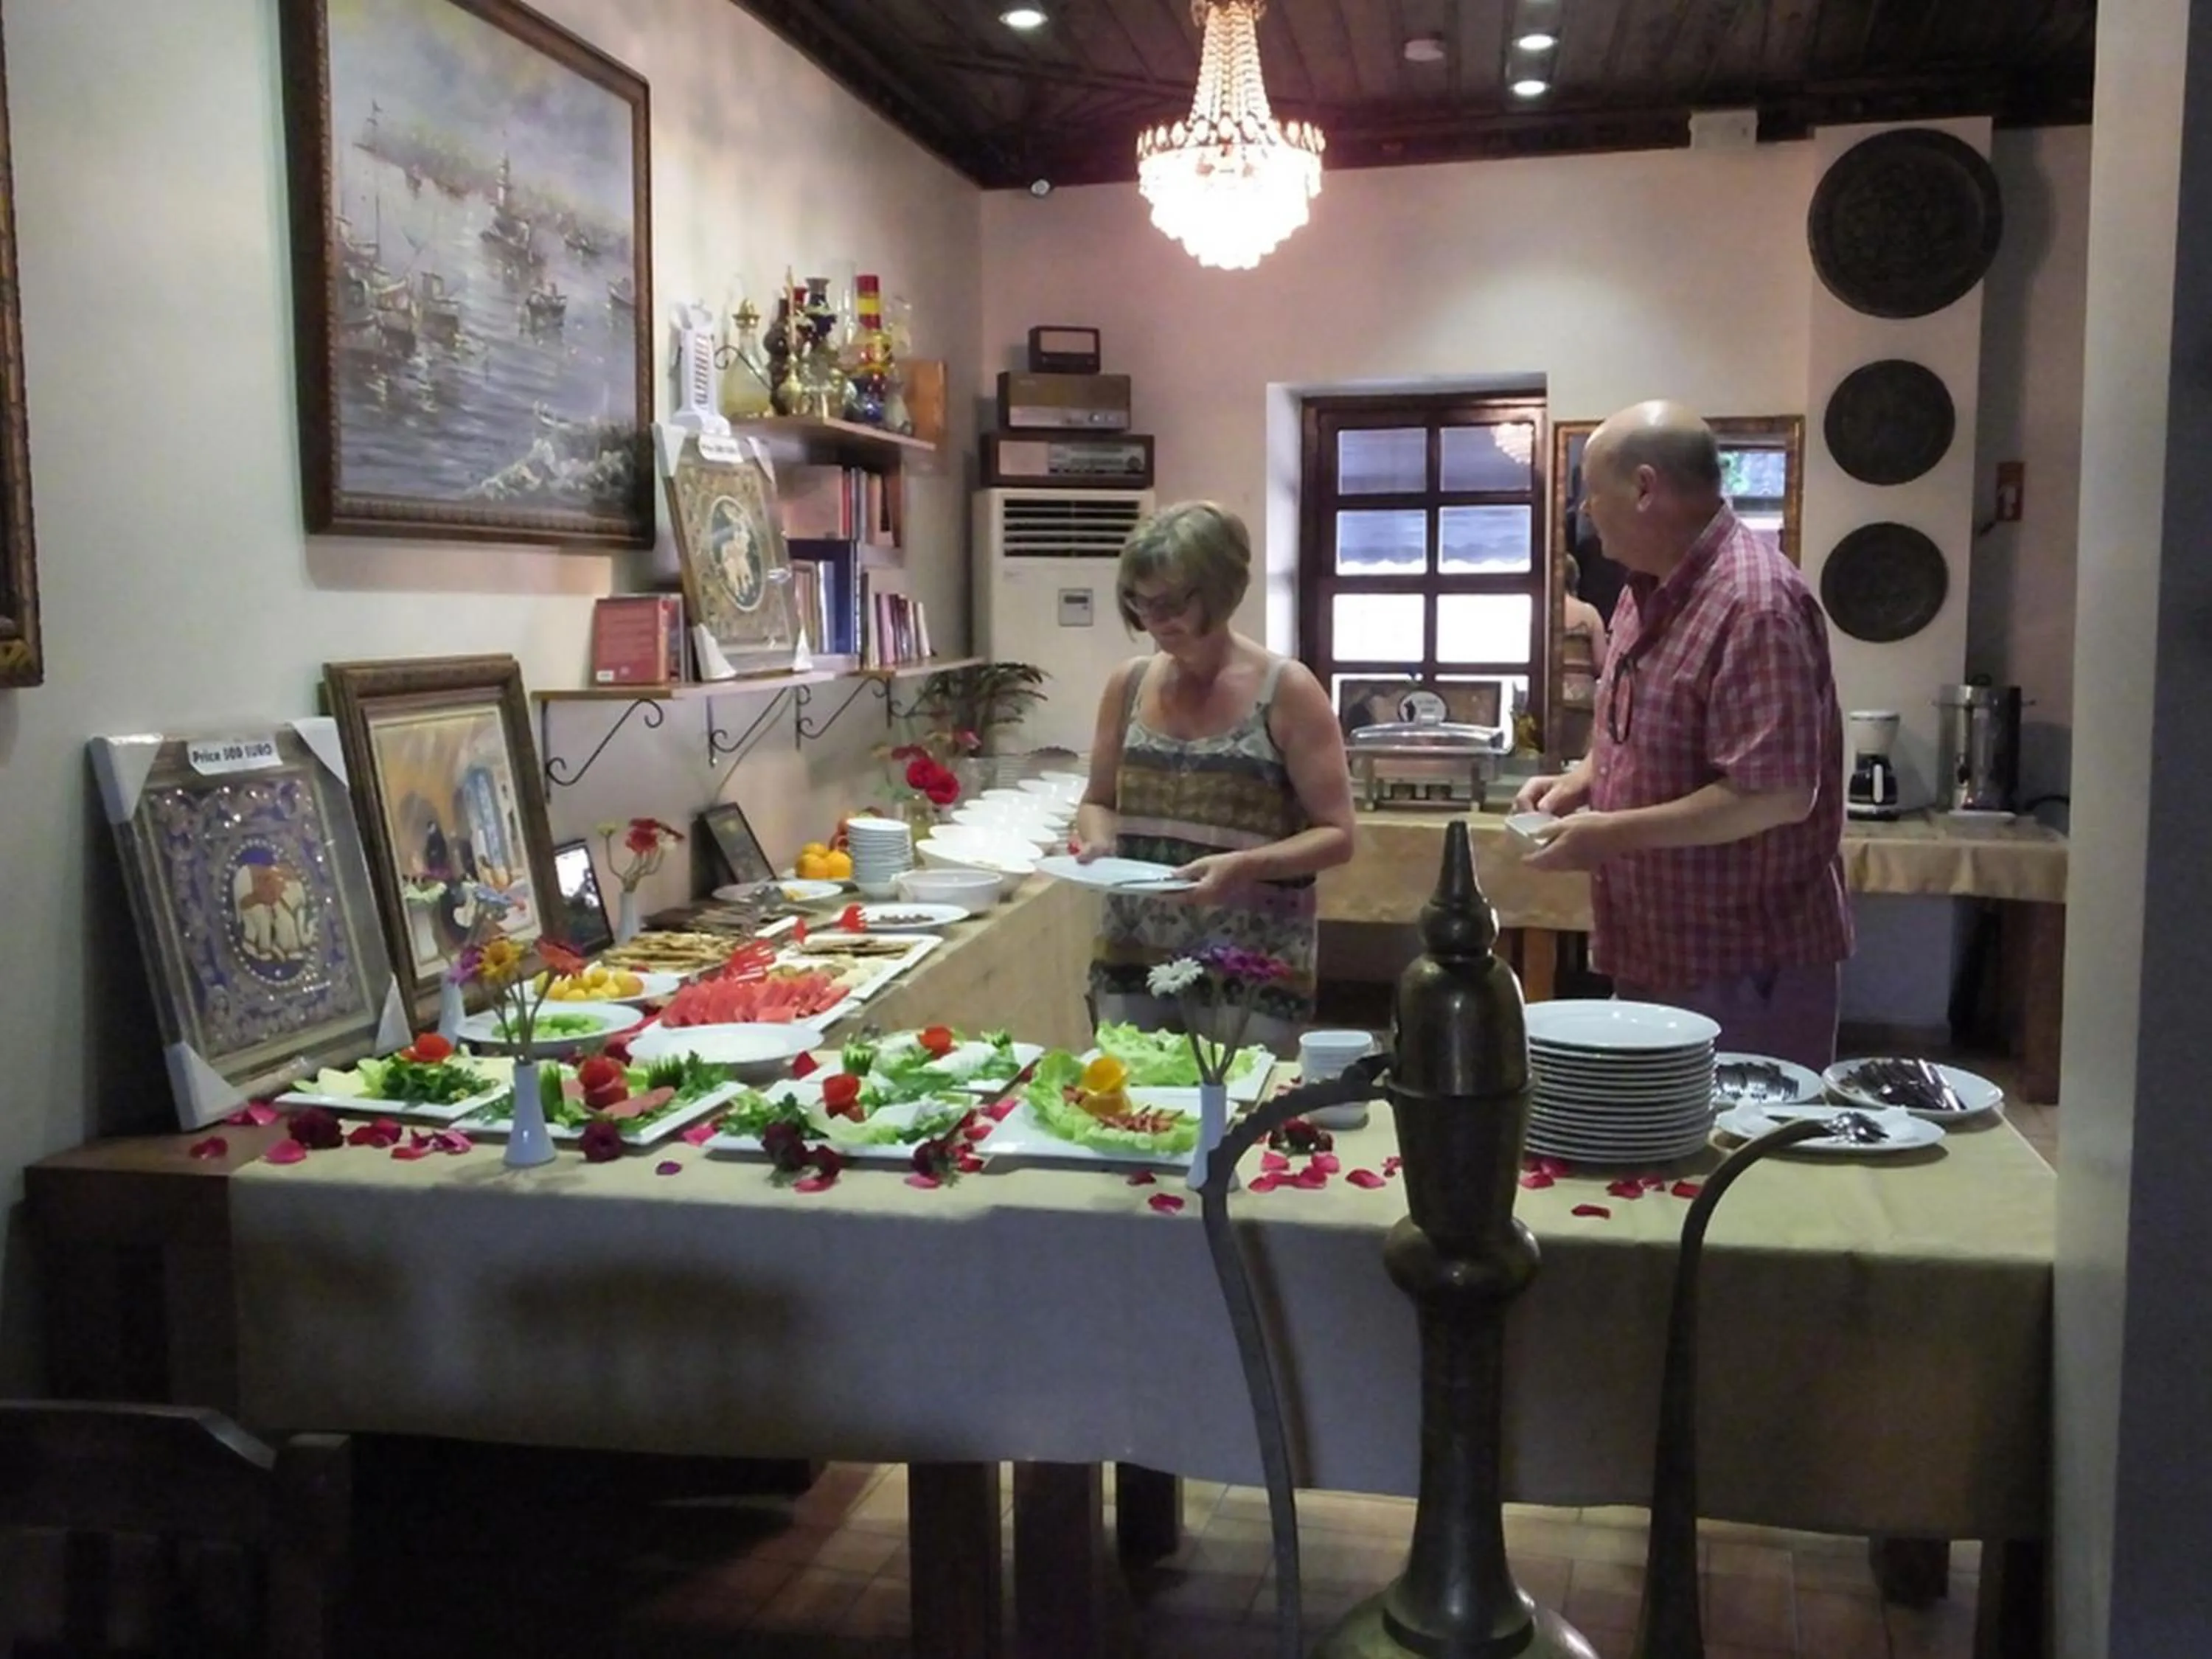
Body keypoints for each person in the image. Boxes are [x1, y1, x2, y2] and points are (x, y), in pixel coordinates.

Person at [1514, 401, 1851, 1068]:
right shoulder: (1647, 590)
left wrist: (1609, 832)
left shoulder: (1755, 603)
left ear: (1644, 488)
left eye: (1592, 494)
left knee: (1746, 1158)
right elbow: (1633, 728)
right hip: (1659, 943)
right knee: (1661, 1156)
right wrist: (1582, 780)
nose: (1584, 512)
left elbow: (1777, 796)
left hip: (1742, 958)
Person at [1074, 501, 1358, 1048]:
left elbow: (1339, 835)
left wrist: (1244, 865)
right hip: (1135, 956)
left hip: (1253, 966)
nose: (1155, 622)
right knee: (1134, 1118)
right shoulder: (1128, 685)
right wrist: (1099, 840)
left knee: (1242, 1125)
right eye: (1139, 602)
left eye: (1172, 603)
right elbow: (1098, 801)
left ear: (1223, 590)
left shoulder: (1287, 691)